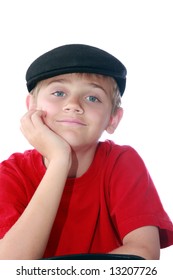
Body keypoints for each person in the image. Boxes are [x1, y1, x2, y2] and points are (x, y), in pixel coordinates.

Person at [0, 44, 173, 260]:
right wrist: (59, 160)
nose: (73, 105)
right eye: (59, 92)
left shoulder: (121, 162)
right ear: (31, 107)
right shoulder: (11, 174)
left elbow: (144, 256)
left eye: (92, 98)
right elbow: (9, 266)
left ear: (113, 119)